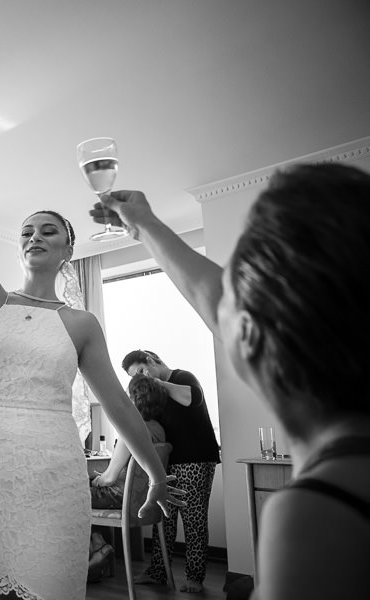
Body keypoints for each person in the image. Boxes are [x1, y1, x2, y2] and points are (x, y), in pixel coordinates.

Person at [0, 107, 182, 600]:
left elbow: (121, 406)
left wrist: (155, 475)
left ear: (67, 251)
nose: (33, 237)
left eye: (46, 231)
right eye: (26, 232)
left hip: (54, 475)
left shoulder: (80, 324)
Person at [91, 162, 370, 600]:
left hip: (201, 460)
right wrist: (144, 225)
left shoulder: (318, 515)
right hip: (178, 462)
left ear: (249, 335)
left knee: (197, 523)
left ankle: (195, 580)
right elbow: (216, 296)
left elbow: (216, 307)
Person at [120, 349, 219, 593]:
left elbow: (189, 399)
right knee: (162, 519)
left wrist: (155, 381)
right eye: (136, 377)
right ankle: (158, 571)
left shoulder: (183, 377)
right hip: (169, 462)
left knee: (194, 520)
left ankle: (194, 577)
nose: (142, 377)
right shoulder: (154, 392)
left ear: (151, 360)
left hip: (196, 461)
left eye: (142, 371)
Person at [88, 374, 170, 582]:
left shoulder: (130, 430)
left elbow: (108, 478)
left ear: (134, 399)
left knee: (69, 493)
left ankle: (96, 547)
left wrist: (95, 481)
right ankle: (96, 544)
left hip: (119, 496)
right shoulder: (159, 429)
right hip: (139, 498)